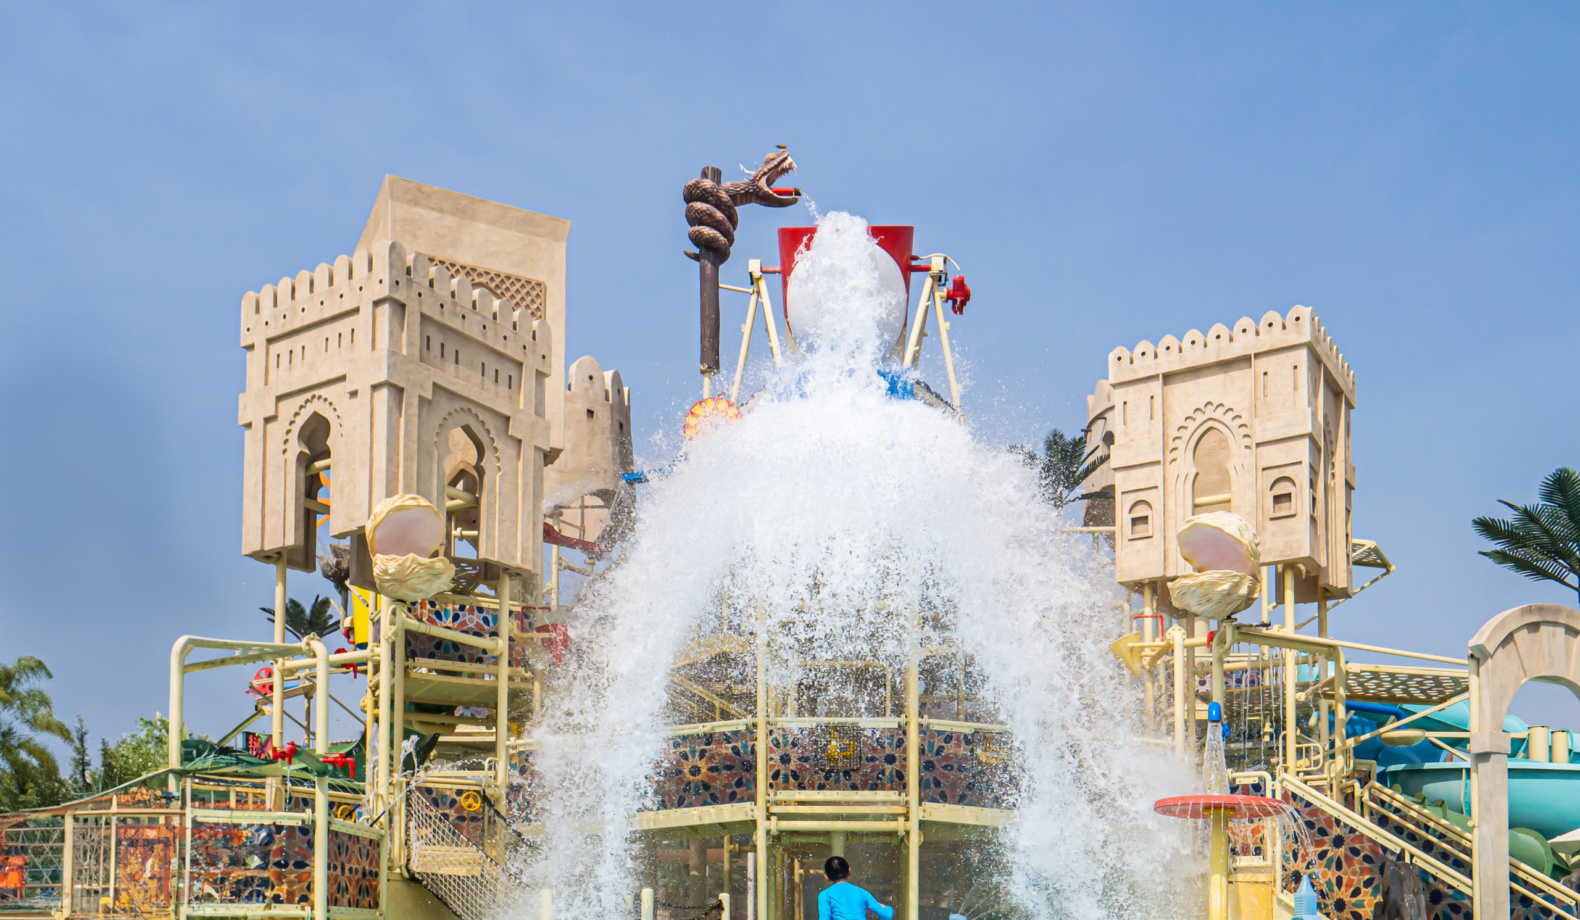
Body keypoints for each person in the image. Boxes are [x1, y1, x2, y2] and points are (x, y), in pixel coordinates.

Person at [818, 856, 894, 920]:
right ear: (849, 871)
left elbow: (824, 918)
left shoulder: (825, 895)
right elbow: (887, 916)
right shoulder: (863, 892)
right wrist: (886, 908)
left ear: (826, 877)